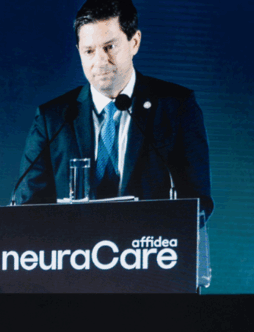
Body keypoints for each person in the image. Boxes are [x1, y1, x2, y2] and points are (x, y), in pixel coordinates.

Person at [17, 0, 213, 221]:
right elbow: (27, 208)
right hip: (72, 242)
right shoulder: (52, 119)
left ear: (134, 42)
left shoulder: (177, 107)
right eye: (89, 51)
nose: (100, 61)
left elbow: (198, 202)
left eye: (109, 47)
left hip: (150, 240)